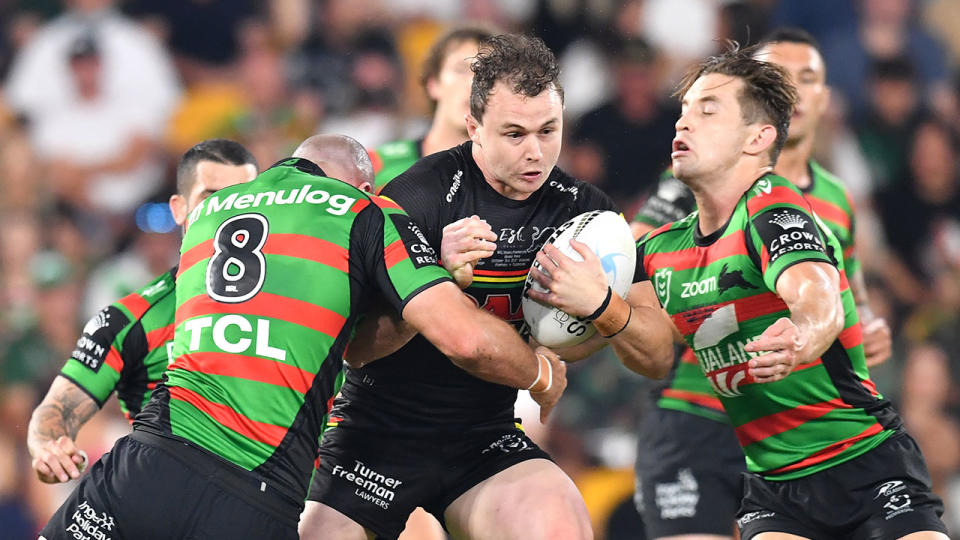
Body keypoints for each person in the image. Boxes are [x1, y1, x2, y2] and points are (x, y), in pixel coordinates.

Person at [39, 134, 567, 540]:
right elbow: (462, 339)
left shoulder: (206, 217)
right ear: (362, 187)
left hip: (147, 469)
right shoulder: (364, 213)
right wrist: (539, 371)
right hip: (254, 502)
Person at [302, 34, 673, 540]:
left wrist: (602, 305)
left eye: (549, 130)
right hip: (376, 433)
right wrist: (431, 283)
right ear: (474, 127)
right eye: (514, 134)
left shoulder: (585, 212)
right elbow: (358, 351)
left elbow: (656, 354)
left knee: (562, 527)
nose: (535, 153)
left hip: (484, 436)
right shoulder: (419, 195)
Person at [631, 42, 947, 540]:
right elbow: (628, 303)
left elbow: (822, 295)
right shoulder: (666, 231)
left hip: (860, 456)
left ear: (760, 134)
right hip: (743, 450)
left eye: (706, 109)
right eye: (683, 110)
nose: (682, 123)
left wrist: (812, 332)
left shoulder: (793, 201)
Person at [27, 138, 259, 485]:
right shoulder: (129, 320)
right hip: (163, 500)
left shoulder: (314, 303)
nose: (229, 211)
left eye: (244, 199)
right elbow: (57, 410)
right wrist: (48, 446)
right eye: (212, 198)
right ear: (179, 209)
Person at [370, 24, 494, 188]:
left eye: (486, 73)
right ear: (433, 83)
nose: (473, 83)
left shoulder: (516, 178)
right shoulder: (376, 166)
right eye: (461, 70)